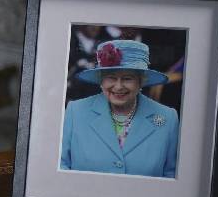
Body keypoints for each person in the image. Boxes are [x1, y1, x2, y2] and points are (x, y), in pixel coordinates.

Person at [59, 39, 179, 178]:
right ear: (100, 80)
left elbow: (172, 177)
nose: (118, 86)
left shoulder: (167, 118)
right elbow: (61, 165)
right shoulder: (76, 111)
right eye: (111, 77)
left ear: (141, 81)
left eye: (127, 78)